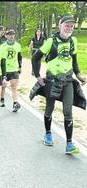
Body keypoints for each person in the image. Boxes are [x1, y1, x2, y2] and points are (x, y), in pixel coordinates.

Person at [32, 15, 86, 154]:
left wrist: (79, 74)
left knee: (68, 111)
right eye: (67, 25)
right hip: (52, 80)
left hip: (68, 80)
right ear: (60, 25)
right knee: (49, 108)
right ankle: (48, 134)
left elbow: (74, 61)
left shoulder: (73, 41)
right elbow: (35, 57)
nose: (69, 28)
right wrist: (38, 75)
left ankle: (69, 144)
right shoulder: (51, 41)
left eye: (71, 26)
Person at [0, 29, 22, 112]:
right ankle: (2, 99)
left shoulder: (17, 45)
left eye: (13, 34)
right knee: (3, 86)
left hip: (14, 68)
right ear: (6, 36)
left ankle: (15, 103)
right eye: (9, 34)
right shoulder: (3, 46)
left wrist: (20, 66)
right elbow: (1, 59)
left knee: (14, 86)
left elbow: (19, 57)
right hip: (5, 69)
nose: (11, 36)